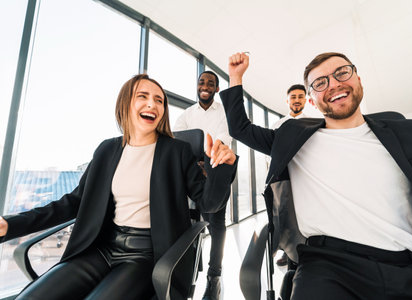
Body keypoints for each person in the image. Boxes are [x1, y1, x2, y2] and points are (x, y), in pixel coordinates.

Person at [221, 52, 412, 299]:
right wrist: (236, 77)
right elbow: (240, 128)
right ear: (312, 100)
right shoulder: (292, 139)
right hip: (328, 267)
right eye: (320, 83)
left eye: (341, 73)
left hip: (411, 266)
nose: (333, 84)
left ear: (359, 79)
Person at [0, 74, 238, 300]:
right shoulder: (106, 150)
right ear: (125, 103)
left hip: (146, 255)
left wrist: (223, 168)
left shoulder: (177, 151)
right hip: (100, 248)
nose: (152, 104)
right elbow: (72, 203)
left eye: (159, 100)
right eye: (142, 97)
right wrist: (10, 225)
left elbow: (210, 204)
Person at [173, 70, 231, 300]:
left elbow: (224, 137)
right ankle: (189, 272)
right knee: (190, 225)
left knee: (216, 225)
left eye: (210, 83)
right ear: (197, 87)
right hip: (190, 175)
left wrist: (209, 159)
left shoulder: (224, 113)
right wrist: (194, 164)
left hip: (216, 174)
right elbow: (177, 139)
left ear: (216, 89)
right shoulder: (186, 114)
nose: (205, 86)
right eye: (201, 82)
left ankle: (214, 275)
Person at [272, 84, 307, 268]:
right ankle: (287, 252)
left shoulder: (312, 122)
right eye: (293, 97)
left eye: (300, 96)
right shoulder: (278, 125)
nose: (297, 100)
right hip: (283, 177)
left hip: (304, 177)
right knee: (283, 215)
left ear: (306, 100)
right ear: (287, 100)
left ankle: (303, 254)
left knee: (302, 215)